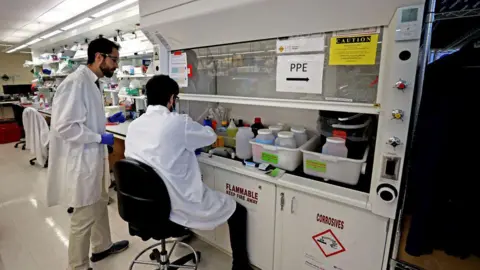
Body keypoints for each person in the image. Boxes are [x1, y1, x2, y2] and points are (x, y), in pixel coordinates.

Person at [125, 75, 253, 270]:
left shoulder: (134, 126)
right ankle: (241, 266)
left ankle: (179, 233)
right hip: (174, 206)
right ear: (171, 99)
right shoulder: (178, 122)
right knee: (237, 211)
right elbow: (209, 137)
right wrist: (208, 127)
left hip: (142, 209)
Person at [46, 38, 129, 270]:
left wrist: (106, 121)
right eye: (114, 60)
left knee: (100, 202)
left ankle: (102, 247)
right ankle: (77, 266)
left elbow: (84, 117)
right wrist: (98, 137)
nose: (116, 66)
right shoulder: (76, 83)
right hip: (82, 160)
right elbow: (65, 126)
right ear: (99, 57)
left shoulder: (94, 81)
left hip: (94, 157)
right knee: (83, 216)